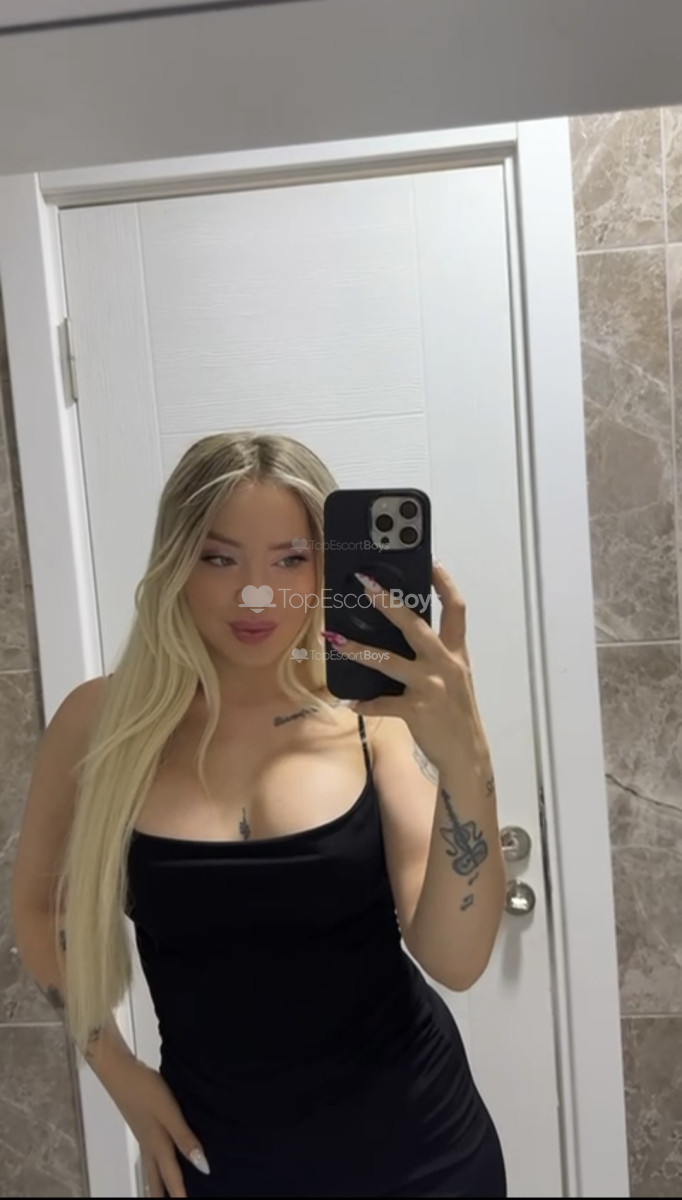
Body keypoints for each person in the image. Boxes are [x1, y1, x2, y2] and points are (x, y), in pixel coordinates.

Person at [11, 432, 508, 1198]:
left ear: (326, 568)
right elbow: (41, 909)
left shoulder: (368, 722)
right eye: (219, 558)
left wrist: (465, 759)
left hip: (423, 1155)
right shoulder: (99, 725)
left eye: (289, 559)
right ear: (176, 561)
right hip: (218, 1160)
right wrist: (115, 1070)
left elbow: (456, 960)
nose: (254, 593)